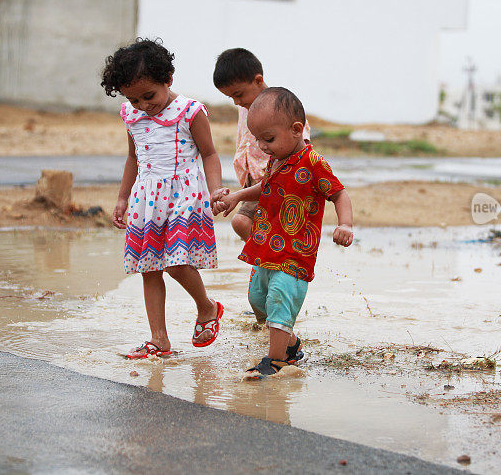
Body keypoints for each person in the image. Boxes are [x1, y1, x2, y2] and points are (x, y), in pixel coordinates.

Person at [212, 87, 354, 378]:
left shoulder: (313, 163)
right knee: (258, 298)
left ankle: (275, 362)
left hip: (295, 254)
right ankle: (290, 345)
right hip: (266, 249)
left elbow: (339, 194)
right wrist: (238, 196)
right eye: (258, 140)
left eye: (269, 139)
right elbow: (265, 188)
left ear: (296, 129)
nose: (263, 146)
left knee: (278, 299)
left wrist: (345, 224)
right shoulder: (276, 160)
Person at [101, 38, 227, 359]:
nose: (143, 105)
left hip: (184, 194)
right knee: (150, 268)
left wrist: (216, 190)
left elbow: (210, 154)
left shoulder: (189, 112)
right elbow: (133, 158)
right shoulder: (131, 116)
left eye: (149, 96)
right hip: (147, 198)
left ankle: (207, 307)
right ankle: (159, 340)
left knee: (175, 263)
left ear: (168, 79)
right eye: (134, 98)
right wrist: (122, 198)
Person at [212, 48, 310, 242]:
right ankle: (269, 260)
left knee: (243, 222)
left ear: (258, 80)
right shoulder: (245, 107)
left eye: (238, 94)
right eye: (231, 97)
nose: (236, 102)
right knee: (259, 226)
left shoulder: (281, 107)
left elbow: (302, 141)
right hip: (253, 180)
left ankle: (269, 259)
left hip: (276, 177)